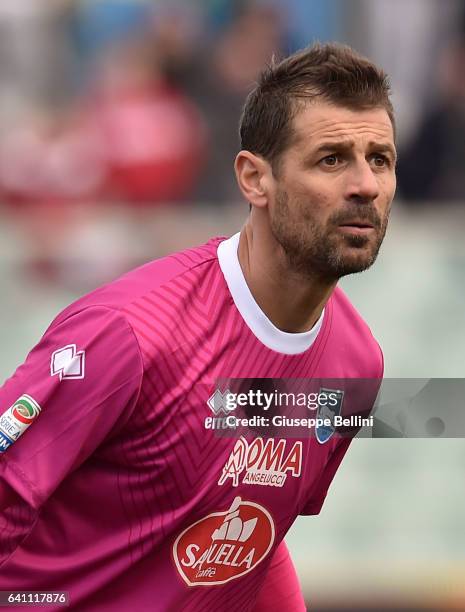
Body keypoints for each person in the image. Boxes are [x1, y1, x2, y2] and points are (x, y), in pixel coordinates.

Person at [0, 42, 397, 611]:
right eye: (331, 158)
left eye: (380, 159)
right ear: (254, 179)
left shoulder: (358, 364)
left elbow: (254, 531)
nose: (365, 185)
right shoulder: (127, 334)